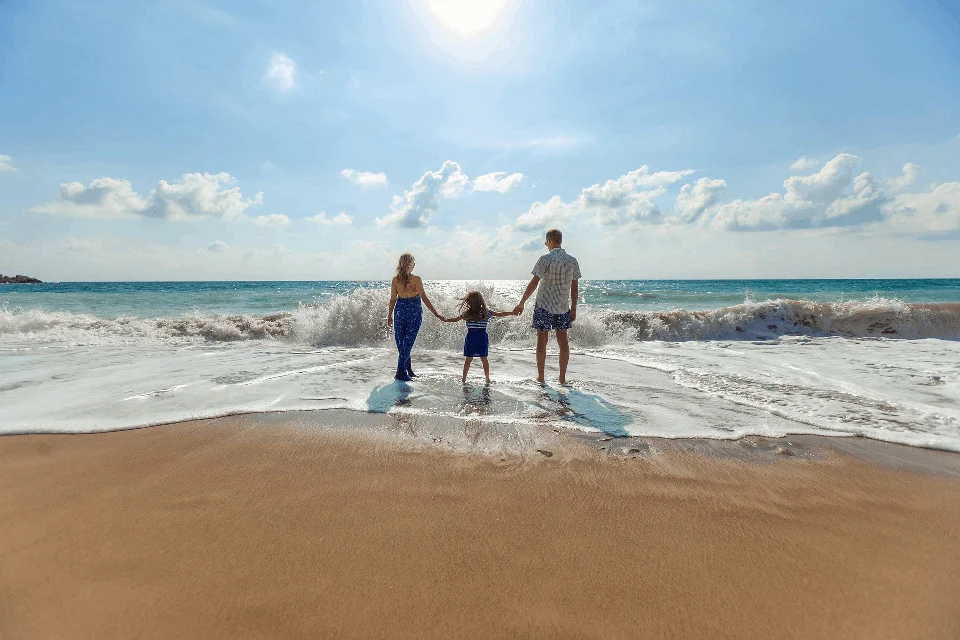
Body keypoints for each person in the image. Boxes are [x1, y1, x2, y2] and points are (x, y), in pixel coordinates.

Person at [513, 229, 581, 385]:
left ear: (550, 241)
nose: (546, 245)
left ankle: (541, 377)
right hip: (563, 307)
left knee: (541, 341)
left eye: (546, 242)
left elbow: (534, 283)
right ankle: (562, 378)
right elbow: (574, 288)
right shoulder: (572, 261)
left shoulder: (545, 259)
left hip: (544, 305)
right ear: (560, 241)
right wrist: (574, 308)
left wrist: (522, 302)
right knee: (563, 343)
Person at [387, 253, 442, 381]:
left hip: (403, 311)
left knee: (405, 342)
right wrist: (389, 315)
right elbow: (394, 299)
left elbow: (393, 300)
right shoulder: (399, 279)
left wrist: (389, 315)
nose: (414, 265)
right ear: (409, 265)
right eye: (413, 263)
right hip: (408, 311)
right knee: (403, 343)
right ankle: (401, 372)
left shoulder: (411, 279)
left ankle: (407, 369)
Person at [441, 290, 516, 384]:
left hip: (471, 339)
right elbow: (500, 314)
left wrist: (445, 319)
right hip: (482, 338)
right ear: (481, 301)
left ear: (469, 302)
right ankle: (487, 379)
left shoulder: (467, 314)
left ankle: (464, 379)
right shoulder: (486, 312)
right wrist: (512, 312)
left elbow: (455, 320)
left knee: (468, 361)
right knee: (484, 360)